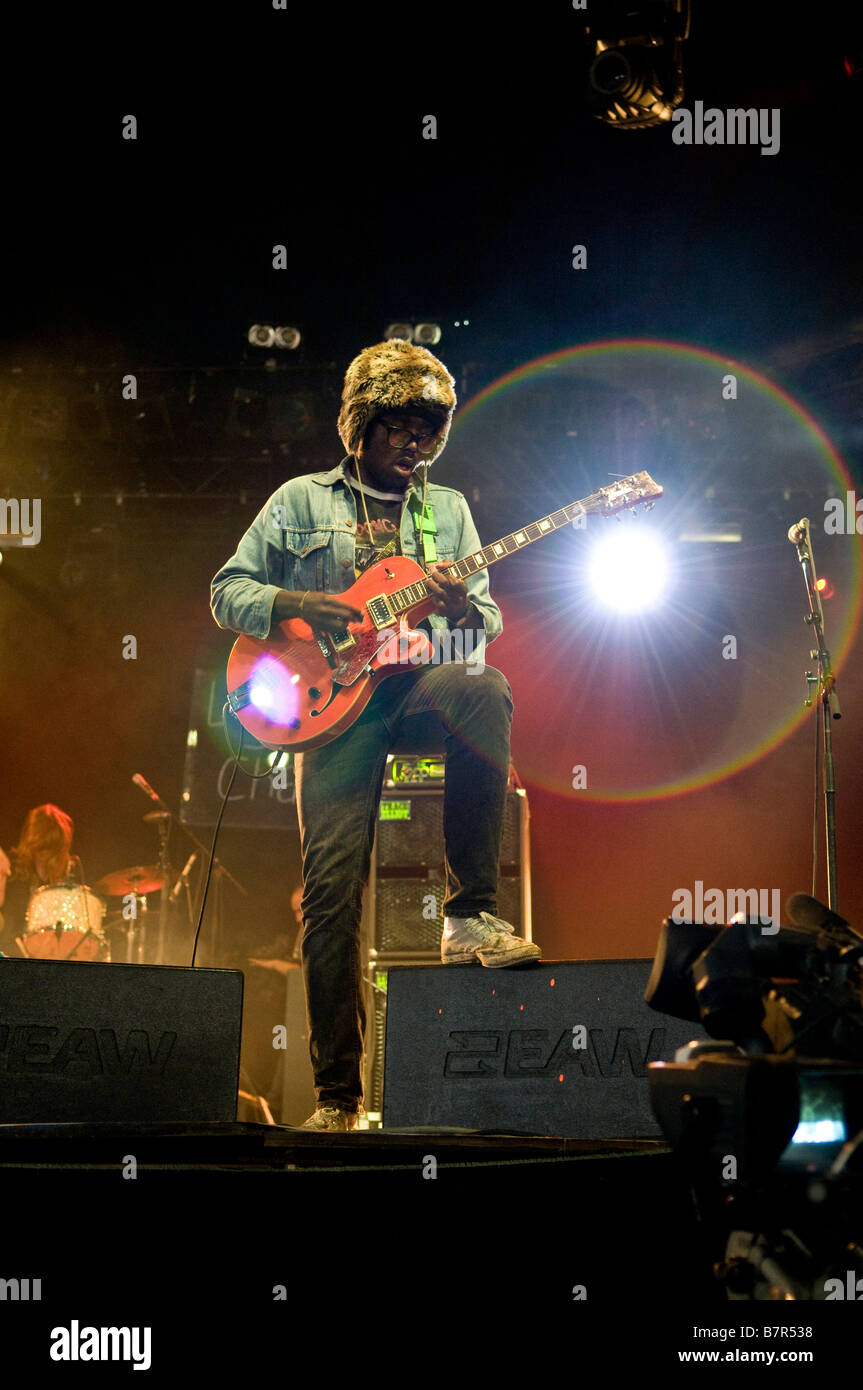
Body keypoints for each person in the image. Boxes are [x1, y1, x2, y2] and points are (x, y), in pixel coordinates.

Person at [211, 339, 540, 1132]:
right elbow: (228, 590)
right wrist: (295, 604)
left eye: (428, 430)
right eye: (399, 426)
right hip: (332, 706)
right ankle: (336, 1099)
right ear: (361, 424)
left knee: (485, 686)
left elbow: (483, 629)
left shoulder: (448, 511)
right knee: (329, 897)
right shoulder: (299, 500)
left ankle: (468, 914)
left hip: (414, 685)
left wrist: (464, 611)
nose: (414, 444)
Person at [0, 804, 77, 953]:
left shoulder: (66, 878)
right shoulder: (10, 869)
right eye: (41, 845)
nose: (43, 852)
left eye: (49, 846)